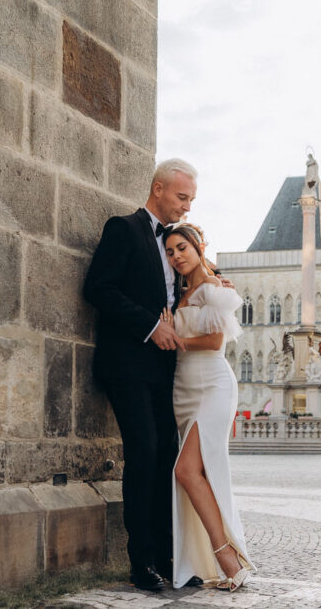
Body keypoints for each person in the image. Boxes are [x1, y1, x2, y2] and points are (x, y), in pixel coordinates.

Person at [82, 159, 200, 592]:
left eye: (190, 200)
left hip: (167, 371)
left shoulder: (177, 243)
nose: (186, 207)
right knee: (145, 453)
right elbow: (97, 289)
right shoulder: (123, 228)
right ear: (158, 189)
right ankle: (141, 562)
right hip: (127, 366)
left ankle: (170, 558)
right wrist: (152, 327)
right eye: (181, 197)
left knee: (168, 459)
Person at [161, 222, 255, 591]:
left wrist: (176, 338)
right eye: (170, 252)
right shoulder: (178, 293)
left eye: (181, 247)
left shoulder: (215, 288)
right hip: (183, 387)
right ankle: (215, 559)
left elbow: (215, 341)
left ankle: (227, 557)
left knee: (186, 470)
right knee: (193, 473)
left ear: (199, 246)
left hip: (213, 384)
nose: (176, 256)